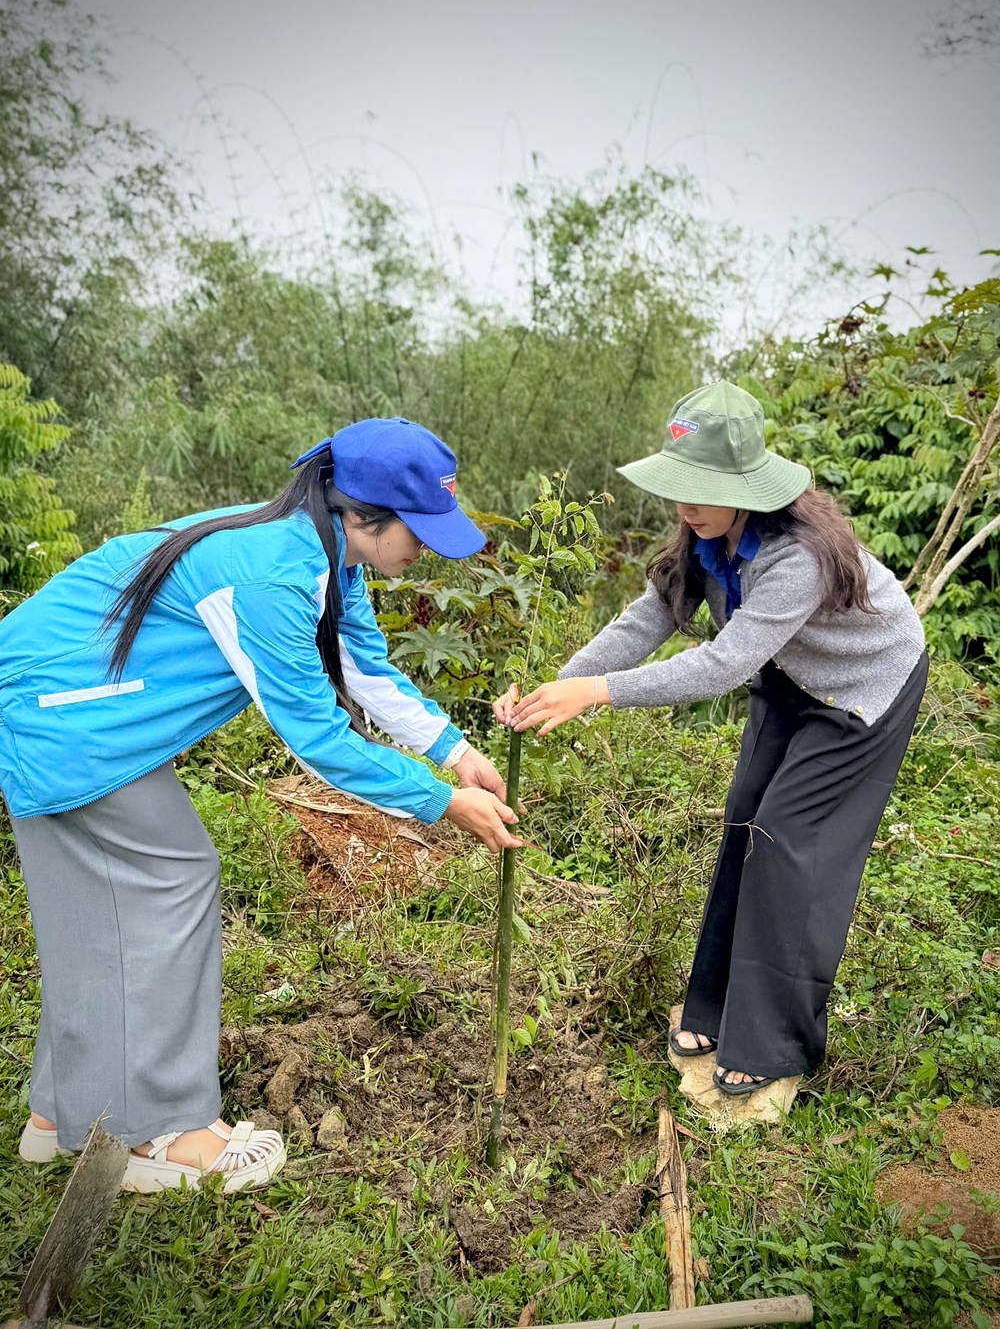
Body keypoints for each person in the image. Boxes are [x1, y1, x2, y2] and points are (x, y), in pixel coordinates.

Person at [1, 416, 522, 1192]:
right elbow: (317, 739)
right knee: (170, 884)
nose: (425, 550)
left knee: (97, 913)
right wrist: (442, 802)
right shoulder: (276, 576)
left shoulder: (324, 555)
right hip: (66, 718)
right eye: (419, 529)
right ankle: (157, 1136)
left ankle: (60, 1112)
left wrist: (456, 751)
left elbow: (367, 673)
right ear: (362, 514)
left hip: (72, 715)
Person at [494, 381, 927, 1096]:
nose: (684, 503)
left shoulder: (795, 557)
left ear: (747, 486)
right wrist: (557, 685)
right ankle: (714, 1008)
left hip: (862, 689)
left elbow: (723, 665)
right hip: (791, 677)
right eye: (678, 486)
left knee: (788, 846)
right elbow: (644, 622)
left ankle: (774, 1042)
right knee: (746, 825)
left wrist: (595, 695)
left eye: (699, 488)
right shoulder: (706, 540)